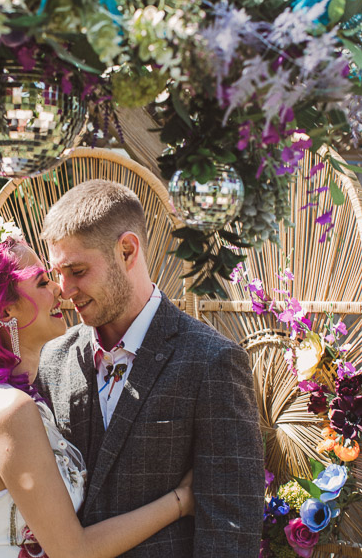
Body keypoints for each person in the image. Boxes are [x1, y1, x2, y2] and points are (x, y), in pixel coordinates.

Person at [0, 236, 194, 558]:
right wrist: (181, 500)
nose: (60, 289)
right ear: (7, 311)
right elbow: (74, 550)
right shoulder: (9, 412)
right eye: (43, 281)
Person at [34, 180, 264, 556]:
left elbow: (231, 527)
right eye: (57, 272)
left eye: (76, 270)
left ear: (127, 250)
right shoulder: (54, 359)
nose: (64, 289)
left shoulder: (213, 362)